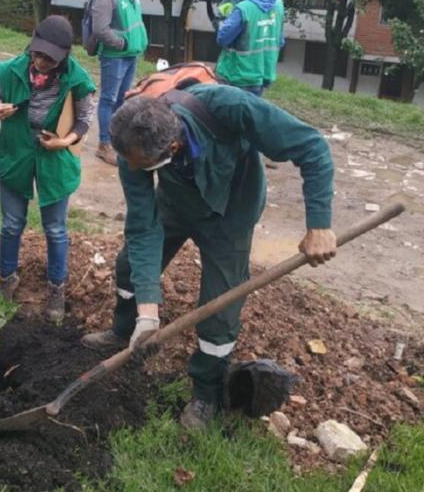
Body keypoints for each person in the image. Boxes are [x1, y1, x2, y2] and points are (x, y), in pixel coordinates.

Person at [80, 84, 336, 429]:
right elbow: (143, 229)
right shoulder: (132, 147)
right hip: (176, 203)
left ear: (171, 147)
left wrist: (319, 224)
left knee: (220, 308)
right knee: (129, 267)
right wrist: (148, 313)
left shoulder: (231, 107)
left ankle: (206, 392)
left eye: (139, 165)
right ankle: (125, 332)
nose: (130, 168)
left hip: (230, 214)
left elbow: (312, 147)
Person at [0, 15, 96, 321]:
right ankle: (7, 279)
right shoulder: (11, 70)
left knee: (56, 230)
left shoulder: (77, 78)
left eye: (49, 58)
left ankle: (56, 287)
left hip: (55, 159)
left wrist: (65, 141)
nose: (41, 62)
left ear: (63, 56)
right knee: (11, 224)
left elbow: (85, 119)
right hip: (16, 153)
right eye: (37, 53)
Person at [90, 0, 150, 166]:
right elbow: (100, 29)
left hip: (129, 55)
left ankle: (116, 142)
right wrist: (122, 43)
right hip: (115, 56)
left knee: (122, 100)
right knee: (108, 99)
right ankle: (104, 145)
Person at [215, 0, 286, 97]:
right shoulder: (279, 5)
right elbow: (280, 41)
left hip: (236, 77)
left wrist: (223, 22)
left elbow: (222, 39)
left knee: (228, 116)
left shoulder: (244, 8)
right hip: (261, 74)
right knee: (250, 115)